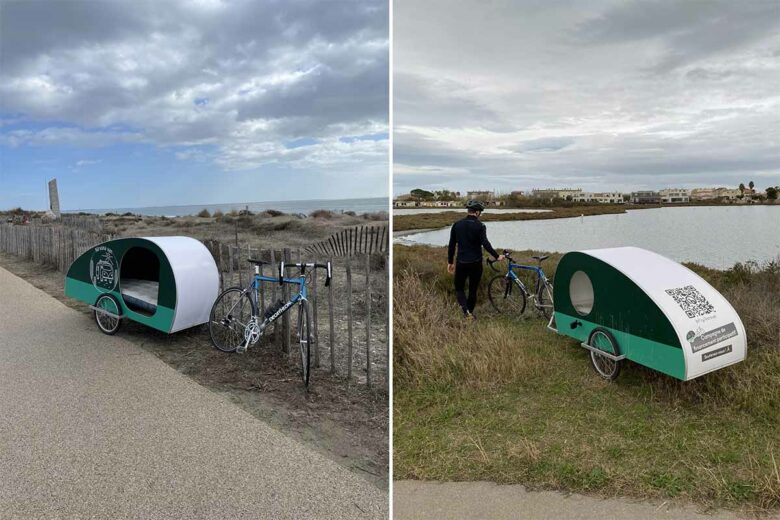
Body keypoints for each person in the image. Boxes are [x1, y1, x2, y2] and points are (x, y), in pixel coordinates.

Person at [447, 200, 504, 318]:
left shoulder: (457, 225)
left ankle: (466, 313)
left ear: (469, 211)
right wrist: (497, 256)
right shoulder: (480, 226)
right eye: (480, 212)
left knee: (459, 288)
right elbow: (485, 243)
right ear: (477, 212)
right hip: (476, 263)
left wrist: (450, 262)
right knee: (473, 290)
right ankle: (469, 313)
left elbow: (451, 245)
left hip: (462, 262)